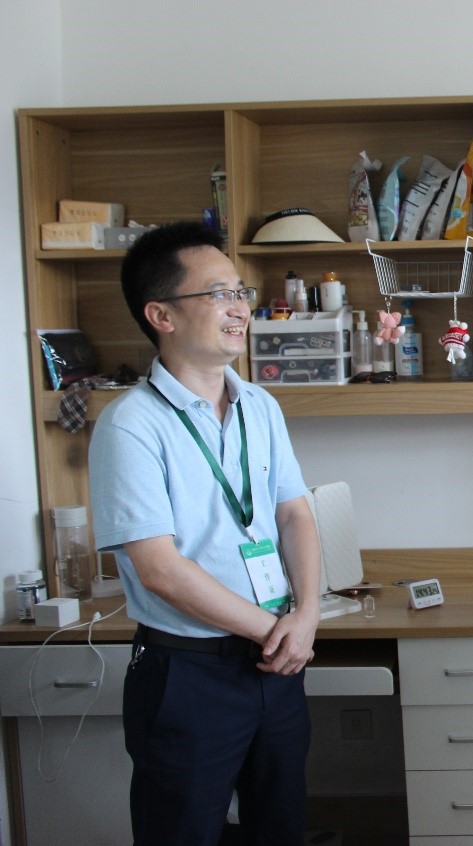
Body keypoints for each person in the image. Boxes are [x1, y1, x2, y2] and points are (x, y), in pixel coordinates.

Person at [89, 222, 322, 846]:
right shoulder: (130, 425)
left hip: (275, 665)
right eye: (219, 294)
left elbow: (295, 514)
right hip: (189, 672)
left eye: (241, 291)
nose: (240, 307)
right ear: (161, 315)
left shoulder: (259, 406)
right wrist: (277, 630)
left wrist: (306, 614)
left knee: (281, 830)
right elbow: (159, 569)